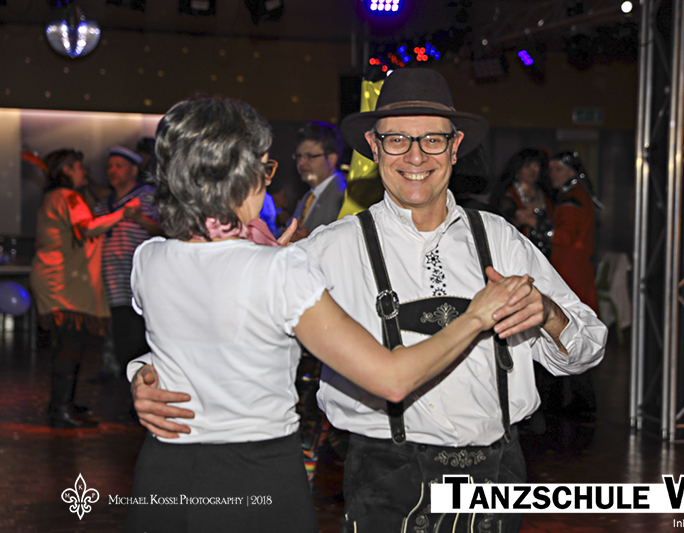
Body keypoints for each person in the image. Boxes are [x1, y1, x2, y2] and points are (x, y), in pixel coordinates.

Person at [131, 70, 607, 532]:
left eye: (433, 139)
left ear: (455, 146)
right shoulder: (327, 248)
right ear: (374, 147)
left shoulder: (501, 240)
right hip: (387, 479)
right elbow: (226, 318)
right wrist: (149, 373)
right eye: (397, 139)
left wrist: (549, 314)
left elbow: (589, 346)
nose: (415, 156)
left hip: (498, 477)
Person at [30, 149, 139, 428]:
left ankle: (64, 403)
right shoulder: (67, 196)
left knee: (69, 343)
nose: (85, 172)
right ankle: (60, 409)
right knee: (70, 343)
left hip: (60, 278)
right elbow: (87, 228)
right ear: (67, 170)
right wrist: (124, 213)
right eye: (79, 166)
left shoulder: (56, 197)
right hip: (62, 282)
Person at [540, 150, 604, 421]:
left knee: (568, 331)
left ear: (570, 172)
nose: (552, 174)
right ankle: (580, 399)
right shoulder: (577, 196)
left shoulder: (571, 200)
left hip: (570, 276)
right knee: (575, 331)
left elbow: (565, 236)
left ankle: (575, 400)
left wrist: (537, 226)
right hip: (577, 273)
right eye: (552, 169)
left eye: (558, 169)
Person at [92, 146, 162, 385]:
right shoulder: (103, 204)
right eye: (110, 166)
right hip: (111, 284)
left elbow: (168, 233)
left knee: (139, 343)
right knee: (121, 342)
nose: (112, 171)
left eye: (119, 166)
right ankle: (127, 392)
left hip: (141, 285)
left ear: (133, 170)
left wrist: (139, 218)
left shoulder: (149, 197)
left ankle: (142, 394)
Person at [288, 121, 347, 240]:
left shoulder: (341, 196)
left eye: (310, 156)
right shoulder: (309, 196)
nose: (301, 163)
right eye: (299, 156)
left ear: (331, 159)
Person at [495, 148, 553, 257]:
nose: (532, 171)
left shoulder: (547, 194)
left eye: (536, 166)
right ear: (518, 169)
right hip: (519, 252)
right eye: (527, 166)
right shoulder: (508, 196)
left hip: (546, 252)